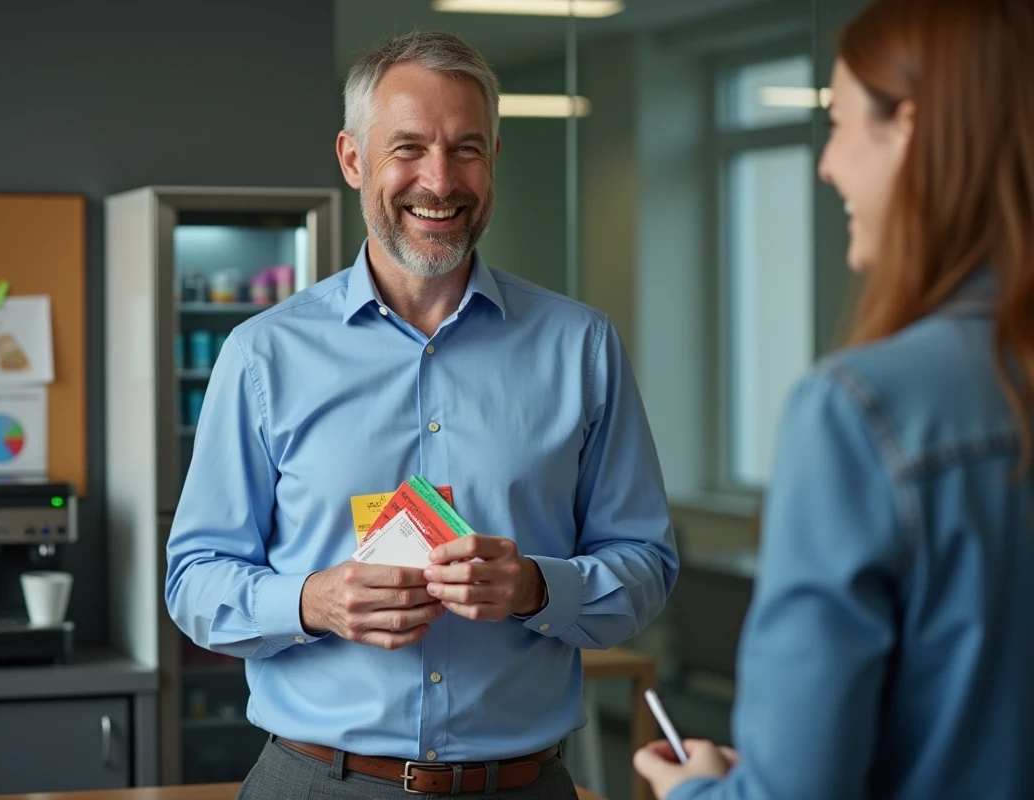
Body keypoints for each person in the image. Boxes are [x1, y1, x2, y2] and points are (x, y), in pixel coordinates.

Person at [165, 30, 679, 800]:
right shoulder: (262, 356)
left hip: (523, 785)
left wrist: (540, 588)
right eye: (408, 147)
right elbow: (194, 579)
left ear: (494, 157)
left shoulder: (583, 347)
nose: (440, 181)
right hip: (317, 781)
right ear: (352, 160)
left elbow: (646, 565)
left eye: (465, 149)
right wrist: (312, 602)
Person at [634, 0, 1034, 798]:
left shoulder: (860, 409)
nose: (826, 165)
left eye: (839, 121)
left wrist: (699, 789)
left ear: (910, 130)